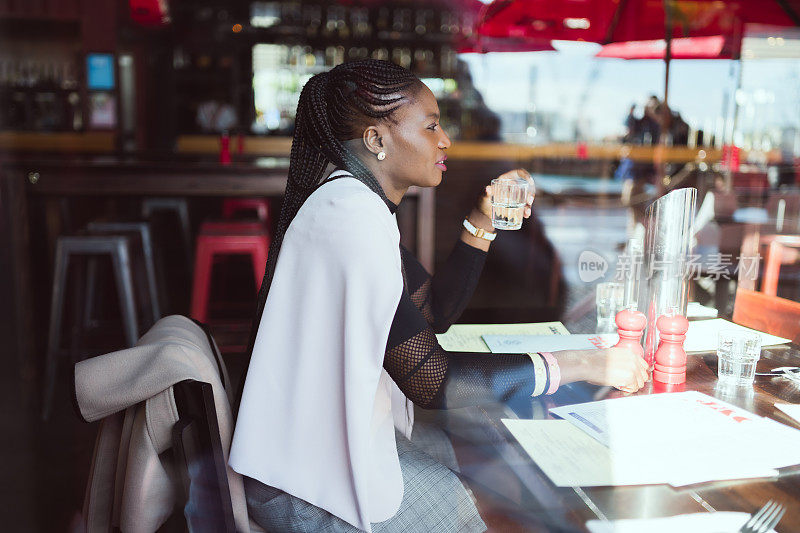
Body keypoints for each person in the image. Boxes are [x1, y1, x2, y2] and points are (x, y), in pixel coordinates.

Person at [230, 59, 648, 533]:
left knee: (482, 472)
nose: (445, 138)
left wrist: (483, 221)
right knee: (482, 507)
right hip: (302, 485)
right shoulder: (350, 220)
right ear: (376, 140)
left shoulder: (353, 203)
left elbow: (434, 314)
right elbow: (433, 383)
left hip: (312, 453)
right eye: (430, 125)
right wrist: (584, 364)